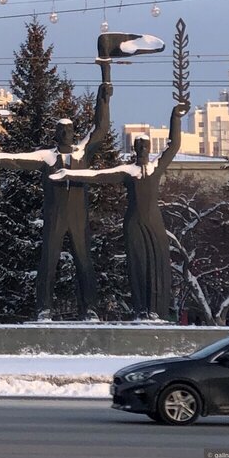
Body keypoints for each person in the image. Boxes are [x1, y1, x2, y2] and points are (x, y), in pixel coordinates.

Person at [0, 62, 113, 321]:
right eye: (62, 130)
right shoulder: (46, 157)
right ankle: (44, 309)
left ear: (74, 133)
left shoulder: (82, 153)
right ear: (55, 135)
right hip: (55, 218)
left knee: (84, 263)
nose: (67, 133)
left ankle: (89, 309)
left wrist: (104, 98)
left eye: (69, 130)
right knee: (48, 263)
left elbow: (100, 129)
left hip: (78, 219)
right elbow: (14, 159)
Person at [51, 100, 189, 320]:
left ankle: (156, 311)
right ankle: (141, 310)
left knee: (157, 263)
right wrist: (69, 174)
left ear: (150, 148)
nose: (143, 149)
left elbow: (173, 146)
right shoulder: (127, 171)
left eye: (146, 145)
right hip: (133, 224)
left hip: (154, 224)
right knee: (137, 265)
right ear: (134, 148)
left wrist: (176, 118)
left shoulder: (155, 168)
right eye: (139, 145)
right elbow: (97, 176)